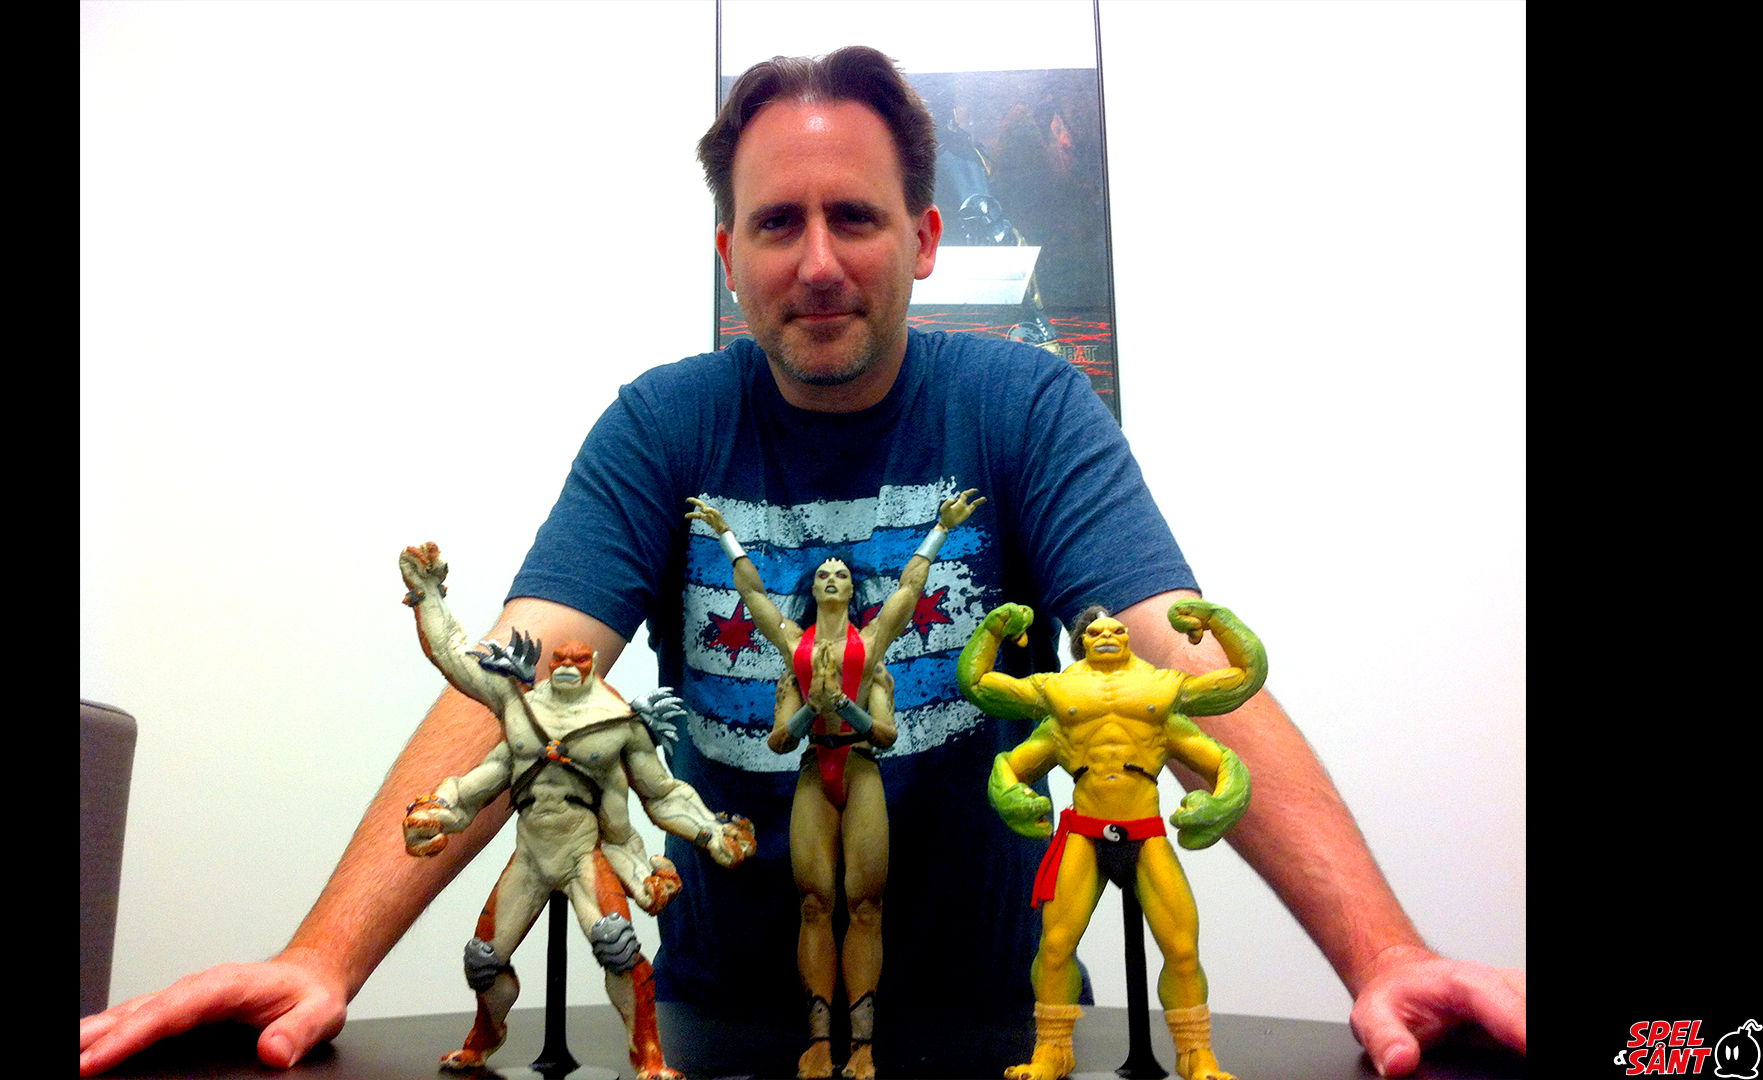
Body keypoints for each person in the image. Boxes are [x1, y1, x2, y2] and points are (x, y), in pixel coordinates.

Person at [79, 44, 1525, 1080]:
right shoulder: (663, 425)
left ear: (924, 239)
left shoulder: (1026, 407)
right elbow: (523, 676)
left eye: (856, 218)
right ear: (730, 253)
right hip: (715, 1026)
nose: (818, 260)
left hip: (1006, 1019)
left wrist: (1383, 958)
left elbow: (1177, 658)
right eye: (778, 222)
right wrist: (321, 960)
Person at [393, 543, 756, 1078]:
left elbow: (661, 792)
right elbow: (454, 657)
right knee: (483, 962)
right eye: (559, 660)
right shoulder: (520, 704)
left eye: (577, 660)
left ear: (592, 667)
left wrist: (710, 830)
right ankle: (484, 1036)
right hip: (531, 854)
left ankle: (649, 1056)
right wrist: (427, 593)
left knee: (617, 948)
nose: (566, 666)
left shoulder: (619, 723)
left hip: (585, 854)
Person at [684, 490, 983, 1079]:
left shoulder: (870, 648)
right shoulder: (794, 646)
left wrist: (941, 530)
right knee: (814, 903)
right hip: (811, 772)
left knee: (866, 905)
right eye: (822, 574)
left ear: (850, 590)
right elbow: (755, 604)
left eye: (840, 574)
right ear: (814, 588)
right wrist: (724, 535)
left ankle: (864, 1045)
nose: (830, 577)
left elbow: (907, 599)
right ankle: (820, 1041)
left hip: (861, 767)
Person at [958, 600, 1266, 1080]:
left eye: (1116, 630)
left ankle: (1195, 1054)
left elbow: (1241, 691)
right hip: (1084, 834)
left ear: (1127, 637)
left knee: (1182, 950)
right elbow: (983, 698)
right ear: (1080, 641)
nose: (1106, 634)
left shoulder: (1160, 693)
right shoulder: (1060, 700)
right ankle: (1052, 1050)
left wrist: (1217, 622)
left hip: (1145, 833)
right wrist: (995, 628)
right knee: (1055, 946)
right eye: (1095, 631)